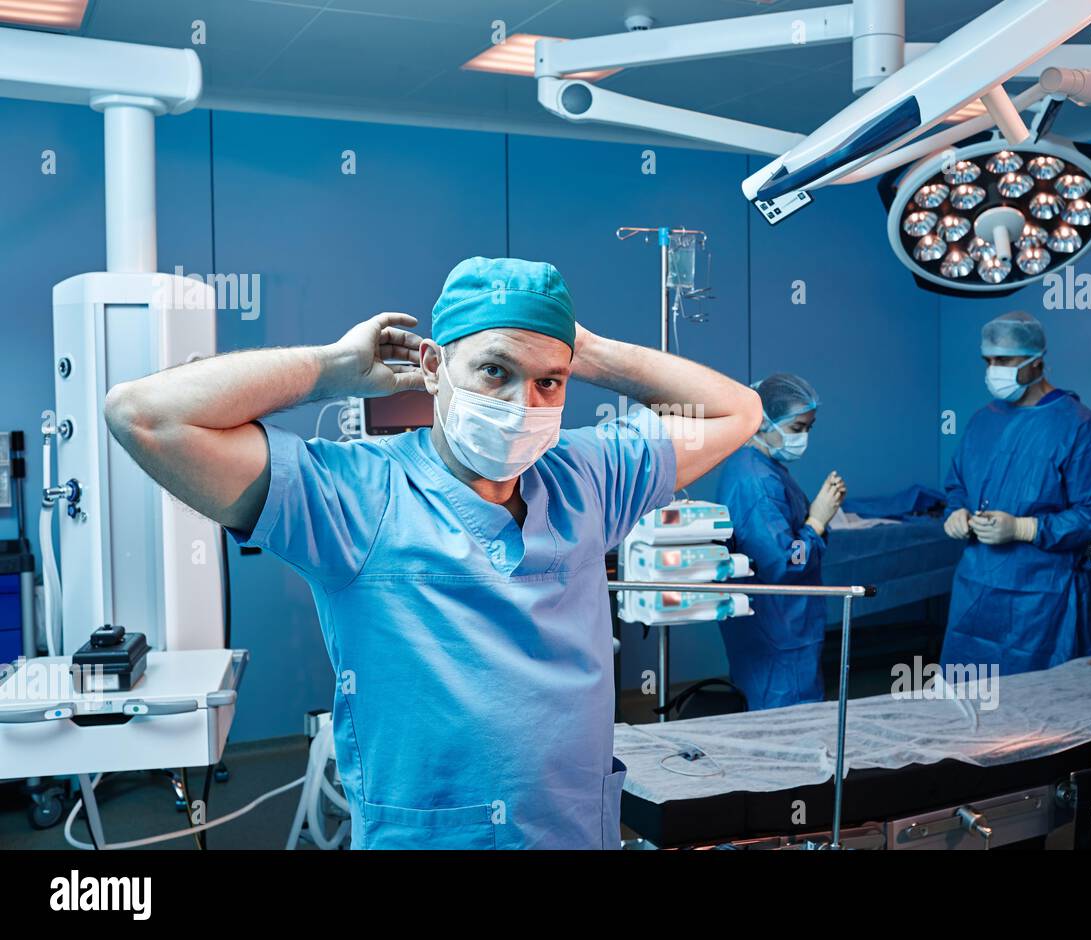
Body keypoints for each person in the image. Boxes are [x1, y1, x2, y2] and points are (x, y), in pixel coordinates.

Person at [104, 256, 762, 849]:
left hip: (570, 831)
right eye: (495, 371)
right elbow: (144, 415)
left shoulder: (585, 476)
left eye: (549, 384)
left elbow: (739, 411)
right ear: (432, 365)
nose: (520, 405)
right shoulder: (353, 495)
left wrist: (587, 350)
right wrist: (334, 370)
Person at [940, 311, 1091, 676]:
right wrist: (955, 513)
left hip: (1042, 598)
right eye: (988, 360)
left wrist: (1025, 528)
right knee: (968, 705)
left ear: (1037, 362)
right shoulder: (982, 420)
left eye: (1004, 360)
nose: (993, 370)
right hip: (977, 591)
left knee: (1041, 712)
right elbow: (958, 484)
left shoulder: (1080, 426)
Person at [716, 373, 846, 710]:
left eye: (809, 428)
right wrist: (817, 520)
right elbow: (783, 563)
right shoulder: (757, 482)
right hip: (777, 629)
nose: (803, 438)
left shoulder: (760, 466)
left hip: (778, 625)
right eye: (797, 428)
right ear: (763, 422)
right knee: (786, 722)